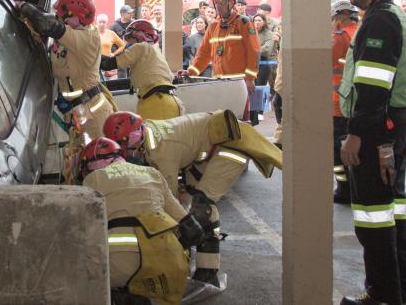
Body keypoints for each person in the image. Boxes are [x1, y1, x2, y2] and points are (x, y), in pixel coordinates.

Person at [104, 110, 281, 287]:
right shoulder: (147, 135)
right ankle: (198, 260)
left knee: (202, 207)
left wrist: (178, 233)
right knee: (191, 204)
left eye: (124, 143)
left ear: (134, 136)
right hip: (203, 151)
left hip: (230, 146)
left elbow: (168, 198)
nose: (124, 151)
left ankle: (208, 271)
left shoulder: (162, 149)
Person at [338, 0, 406, 305]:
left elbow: (372, 85)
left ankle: (383, 295)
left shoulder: (379, 23)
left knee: (373, 217)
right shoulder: (392, 17)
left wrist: (356, 133)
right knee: (391, 213)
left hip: (375, 130)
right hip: (391, 125)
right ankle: (395, 292)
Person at [80, 137, 202, 305]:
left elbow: (82, 231)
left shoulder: (92, 180)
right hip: (170, 263)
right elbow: (193, 230)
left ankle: (120, 296)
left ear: (88, 166)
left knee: (82, 276)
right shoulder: (152, 173)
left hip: (121, 266)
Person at [18, 0, 115, 141]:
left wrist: (22, 6)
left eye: (62, 15)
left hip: (93, 112)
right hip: (78, 112)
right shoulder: (69, 37)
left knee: (99, 160)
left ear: (76, 16)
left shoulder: (88, 37)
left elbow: (49, 25)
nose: (58, 18)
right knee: (79, 160)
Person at [183, 0, 260, 109]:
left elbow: (254, 51)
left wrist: (250, 78)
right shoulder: (213, 26)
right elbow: (203, 54)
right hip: (218, 82)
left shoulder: (244, 23)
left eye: (222, 3)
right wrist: (191, 71)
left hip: (239, 83)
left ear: (231, 3)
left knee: (239, 118)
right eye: (216, 3)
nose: (218, 7)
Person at [101, 20, 183, 120]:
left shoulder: (141, 47)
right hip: (171, 101)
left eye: (130, 40)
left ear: (138, 35)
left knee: (150, 135)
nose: (128, 45)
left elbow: (108, 64)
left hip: (156, 102)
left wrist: (90, 55)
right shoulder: (155, 53)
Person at [331, 0, 360, 204]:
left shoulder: (339, 37)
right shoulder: (362, 33)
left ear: (340, 19)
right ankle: (357, 186)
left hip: (338, 101)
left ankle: (344, 188)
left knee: (337, 150)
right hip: (359, 101)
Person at [250, 13, 277, 125]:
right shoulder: (250, 33)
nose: (257, 22)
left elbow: (266, 50)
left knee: (259, 88)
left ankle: (260, 112)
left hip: (264, 65)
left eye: (259, 20)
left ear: (264, 22)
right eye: (255, 20)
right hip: (251, 65)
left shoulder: (268, 34)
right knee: (251, 88)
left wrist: (253, 50)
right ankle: (253, 112)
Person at [97, 14, 125, 81]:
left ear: (106, 23)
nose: (101, 24)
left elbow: (123, 45)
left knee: (109, 85)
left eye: (103, 22)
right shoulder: (92, 33)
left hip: (107, 63)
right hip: (96, 64)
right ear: (96, 22)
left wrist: (114, 53)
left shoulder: (111, 33)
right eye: (100, 22)